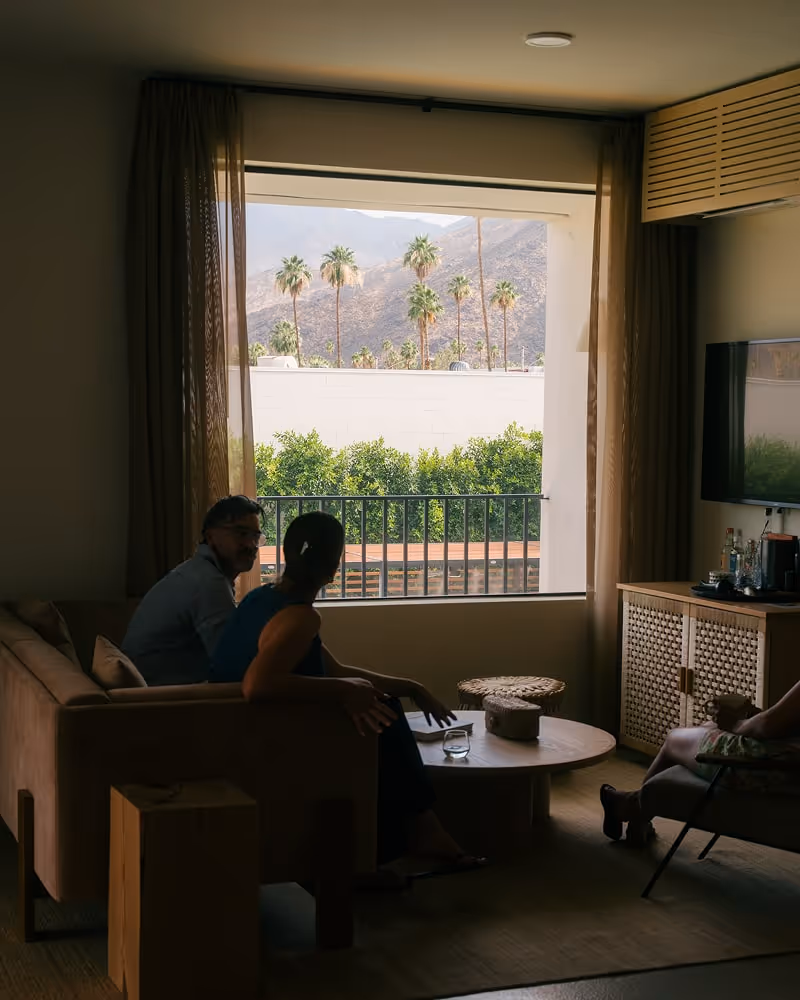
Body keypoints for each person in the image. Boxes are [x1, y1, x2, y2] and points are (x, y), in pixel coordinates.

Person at [212, 510, 485, 878]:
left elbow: (335, 671)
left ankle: (414, 834)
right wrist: (344, 691)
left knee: (384, 705)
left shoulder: (262, 598)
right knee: (383, 717)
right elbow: (257, 684)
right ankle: (411, 838)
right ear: (333, 568)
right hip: (264, 737)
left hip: (241, 728)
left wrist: (411, 686)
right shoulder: (300, 617)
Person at [600, 684, 800, 845]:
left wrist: (736, 724)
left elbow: (766, 726)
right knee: (710, 726)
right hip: (788, 766)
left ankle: (632, 809)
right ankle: (636, 813)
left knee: (674, 739)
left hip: (772, 768)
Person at [122, 495, 264, 685]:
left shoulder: (198, 571)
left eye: (255, 537)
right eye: (241, 533)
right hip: (160, 697)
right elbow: (233, 664)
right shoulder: (208, 582)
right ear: (211, 536)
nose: (251, 545)